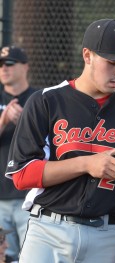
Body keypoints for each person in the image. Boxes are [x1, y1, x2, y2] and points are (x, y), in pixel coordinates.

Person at [4, 19, 115, 263]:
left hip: (108, 234)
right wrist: (85, 164)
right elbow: (22, 174)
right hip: (48, 230)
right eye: (112, 63)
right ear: (87, 55)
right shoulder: (46, 101)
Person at [0, 46, 36, 262]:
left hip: (29, 196)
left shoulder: (39, 98)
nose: (4, 68)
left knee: (30, 256)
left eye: (10, 64)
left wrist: (26, 122)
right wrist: (3, 120)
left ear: (25, 67)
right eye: (1, 65)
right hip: (0, 196)